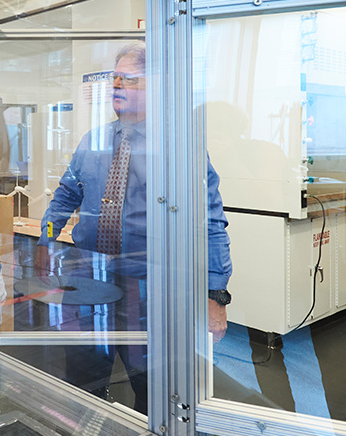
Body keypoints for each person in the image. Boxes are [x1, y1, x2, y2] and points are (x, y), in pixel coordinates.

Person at [34, 41, 232, 414]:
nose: (117, 87)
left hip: (148, 286)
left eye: (130, 80)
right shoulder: (93, 141)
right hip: (89, 280)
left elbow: (210, 220)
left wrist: (215, 295)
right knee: (82, 376)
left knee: (152, 385)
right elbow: (64, 196)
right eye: (116, 78)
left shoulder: (179, 146)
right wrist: (46, 240)